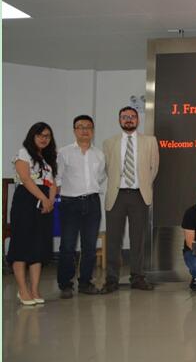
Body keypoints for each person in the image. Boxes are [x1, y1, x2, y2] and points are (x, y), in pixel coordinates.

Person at [102, 106, 159, 293]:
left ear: (137, 120)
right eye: (124, 117)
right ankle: (111, 279)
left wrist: (142, 185)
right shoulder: (109, 143)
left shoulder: (150, 141)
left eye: (132, 116)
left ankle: (137, 277)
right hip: (116, 196)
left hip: (139, 195)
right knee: (113, 240)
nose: (128, 119)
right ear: (119, 120)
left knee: (138, 239)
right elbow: (107, 168)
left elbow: (153, 168)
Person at [56, 115, 106, 298]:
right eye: (80, 127)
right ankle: (65, 284)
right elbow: (58, 177)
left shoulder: (99, 154)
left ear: (93, 131)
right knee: (68, 245)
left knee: (89, 246)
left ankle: (85, 282)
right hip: (70, 203)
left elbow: (100, 177)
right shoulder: (64, 152)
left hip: (92, 202)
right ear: (74, 130)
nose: (85, 130)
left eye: (88, 127)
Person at [8, 122, 57, 305]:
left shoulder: (48, 158)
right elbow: (26, 179)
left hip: (44, 202)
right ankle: (23, 290)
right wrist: (43, 199)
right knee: (22, 245)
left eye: (47, 136)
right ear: (32, 136)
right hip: (26, 201)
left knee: (38, 246)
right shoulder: (23, 153)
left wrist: (50, 201)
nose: (44, 139)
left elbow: (52, 183)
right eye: (40, 135)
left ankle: (35, 289)